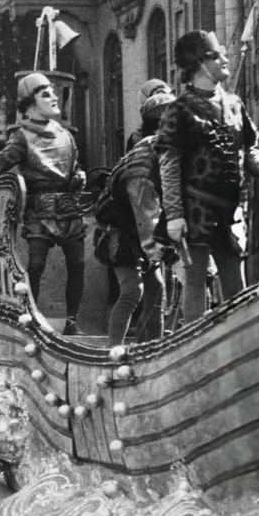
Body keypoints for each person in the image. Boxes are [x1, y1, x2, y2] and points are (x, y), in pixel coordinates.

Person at [156, 30, 259, 322]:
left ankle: (240, 342)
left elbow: (250, 153)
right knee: (196, 281)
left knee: (236, 284)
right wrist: (174, 214)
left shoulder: (235, 104)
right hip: (195, 210)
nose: (226, 59)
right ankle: (193, 347)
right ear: (200, 62)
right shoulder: (178, 110)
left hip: (230, 211)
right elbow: (169, 165)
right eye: (218, 55)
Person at [0, 72, 86, 335]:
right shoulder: (22, 137)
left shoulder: (65, 135)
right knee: (35, 265)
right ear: (30, 102)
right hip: (39, 208)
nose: (54, 97)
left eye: (53, 92)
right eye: (45, 93)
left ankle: (72, 319)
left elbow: (74, 165)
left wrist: (78, 175)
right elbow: (1, 160)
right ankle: (29, 314)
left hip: (68, 206)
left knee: (78, 263)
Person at [101, 84, 175, 346]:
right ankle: (113, 351)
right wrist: (157, 246)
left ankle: (150, 348)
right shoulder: (144, 152)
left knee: (157, 290)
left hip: (144, 232)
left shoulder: (164, 151)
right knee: (132, 292)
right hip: (123, 235)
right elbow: (143, 201)